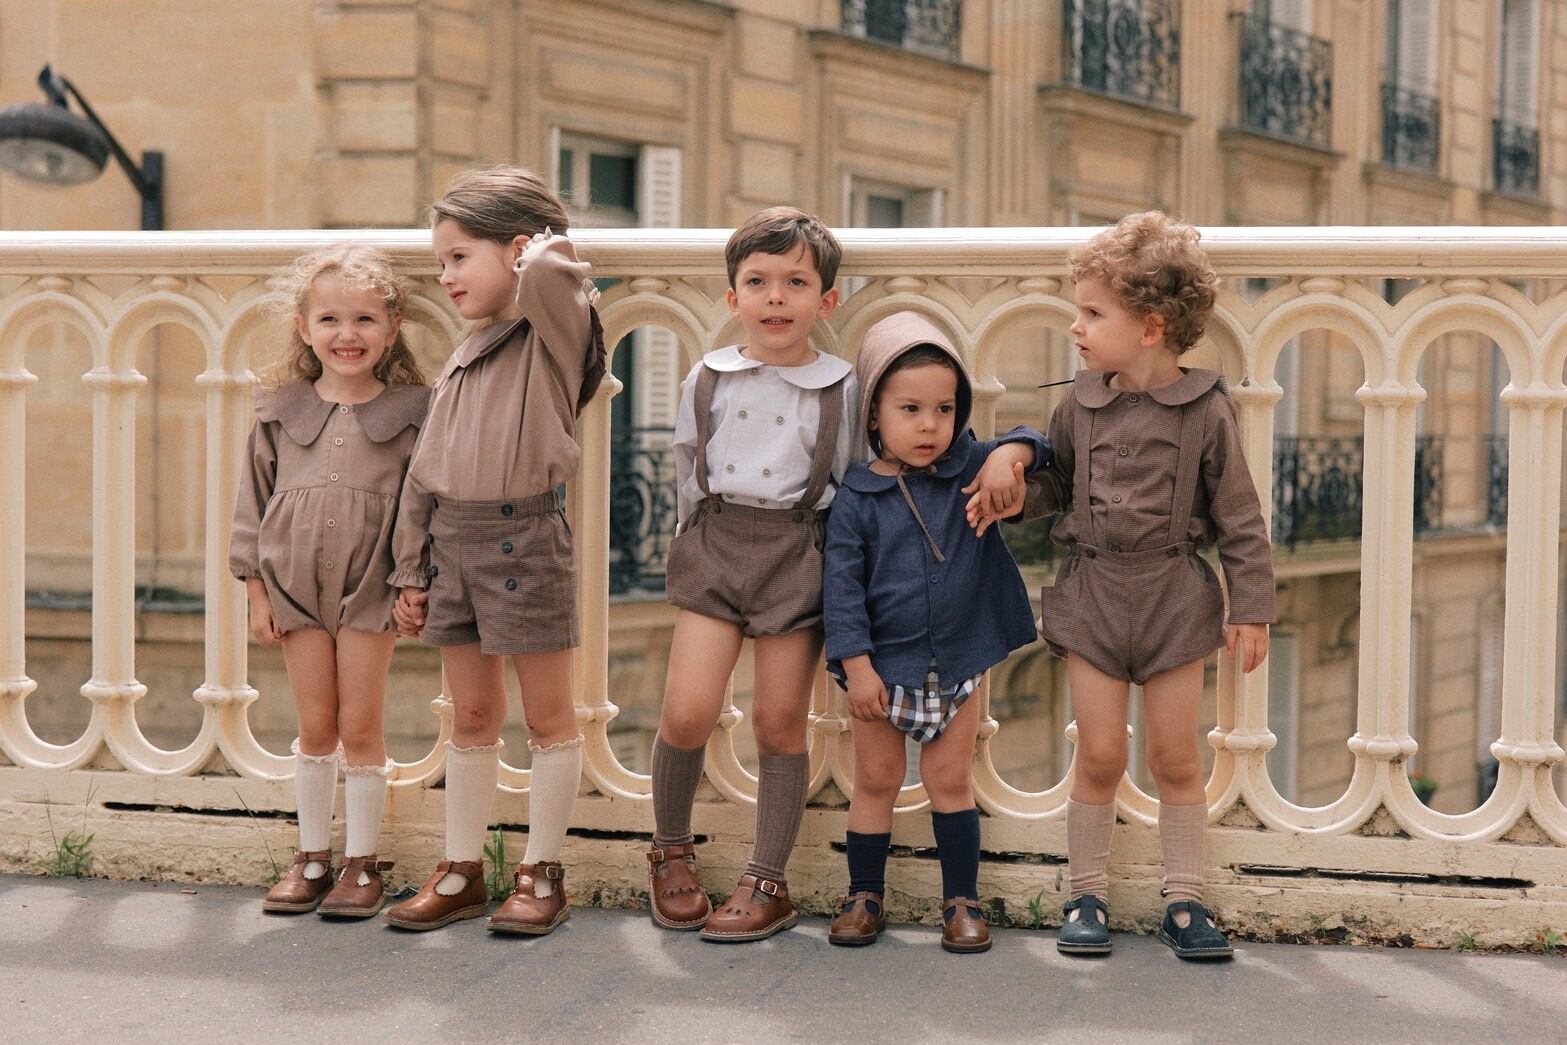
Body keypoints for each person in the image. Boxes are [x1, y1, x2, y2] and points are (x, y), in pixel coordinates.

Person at [1020, 211, 1275, 960]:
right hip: (1093, 593)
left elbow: (1239, 516)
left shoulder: (1207, 411)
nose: (1076, 327)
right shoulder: (1078, 404)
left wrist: (1251, 605)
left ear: (1151, 327)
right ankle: (1085, 894)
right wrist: (1010, 490)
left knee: (1175, 757)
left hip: (1173, 598)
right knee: (1099, 753)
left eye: (1093, 313)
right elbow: (1056, 484)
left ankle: (1185, 901)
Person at [383, 167, 605, 935]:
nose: (445, 276)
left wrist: (531, 247)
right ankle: (462, 870)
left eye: (458, 257)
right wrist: (410, 571)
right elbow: (425, 473)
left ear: (515, 250)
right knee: (471, 711)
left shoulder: (554, 334)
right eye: (439, 261)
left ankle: (543, 873)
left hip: (527, 538)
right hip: (454, 544)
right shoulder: (464, 352)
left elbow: (553, 273)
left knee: (548, 715)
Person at [645, 207, 857, 942]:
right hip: (716, 543)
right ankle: (670, 849)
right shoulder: (708, 376)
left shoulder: (839, 387)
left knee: (776, 720)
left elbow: (851, 478)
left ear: (825, 301)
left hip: (797, 553)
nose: (776, 297)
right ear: (733, 297)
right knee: (688, 710)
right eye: (758, 282)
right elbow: (687, 463)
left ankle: (767, 878)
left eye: (795, 282)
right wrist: (689, 544)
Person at [822, 310, 1047, 953]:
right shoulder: (856, 498)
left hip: (958, 661)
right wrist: (857, 668)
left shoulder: (969, 465)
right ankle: (864, 895)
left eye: (944, 410)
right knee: (876, 780)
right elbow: (841, 591)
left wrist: (1006, 456)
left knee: (951, 781)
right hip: (882, 669)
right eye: (911, 409)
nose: (929, 426)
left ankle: (961, 902)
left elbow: (1040, 440)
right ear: (874, 415)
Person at [230, 243, 431, 918]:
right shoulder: (279, 410)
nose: (348, 334)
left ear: (392, 328)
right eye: (330, 319)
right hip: (293, 588)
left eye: (365, 319)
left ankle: (362, 862)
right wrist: (256, 592)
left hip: (371, 586)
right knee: (316, 724)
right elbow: (251, 504)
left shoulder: (412, 412)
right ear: (304, 326)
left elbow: (418, 505)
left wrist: (412, 579)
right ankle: (312, 856)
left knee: (360, 724)